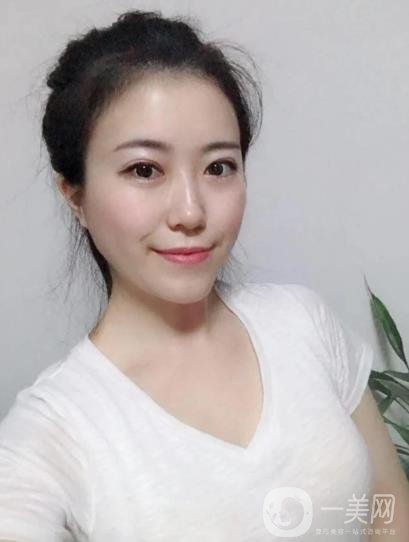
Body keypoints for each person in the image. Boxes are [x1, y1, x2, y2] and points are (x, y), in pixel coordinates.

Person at [0, 9, 408, 542]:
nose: (191, 212)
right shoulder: (50, 437)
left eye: (219, 167)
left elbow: (388, 512)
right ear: (75, 196)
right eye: (144, 170)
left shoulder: (302, 323)